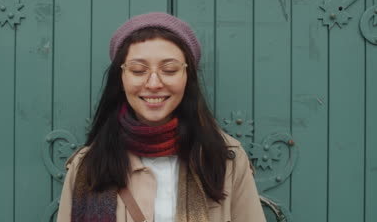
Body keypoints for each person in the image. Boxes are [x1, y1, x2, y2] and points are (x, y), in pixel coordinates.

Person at [57, 12, 266, 222]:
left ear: (187, 77)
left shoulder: (226, 160)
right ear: (120, 78)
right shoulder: (87, 166)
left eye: (169, 69)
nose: (154, 83)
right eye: (138, 71)